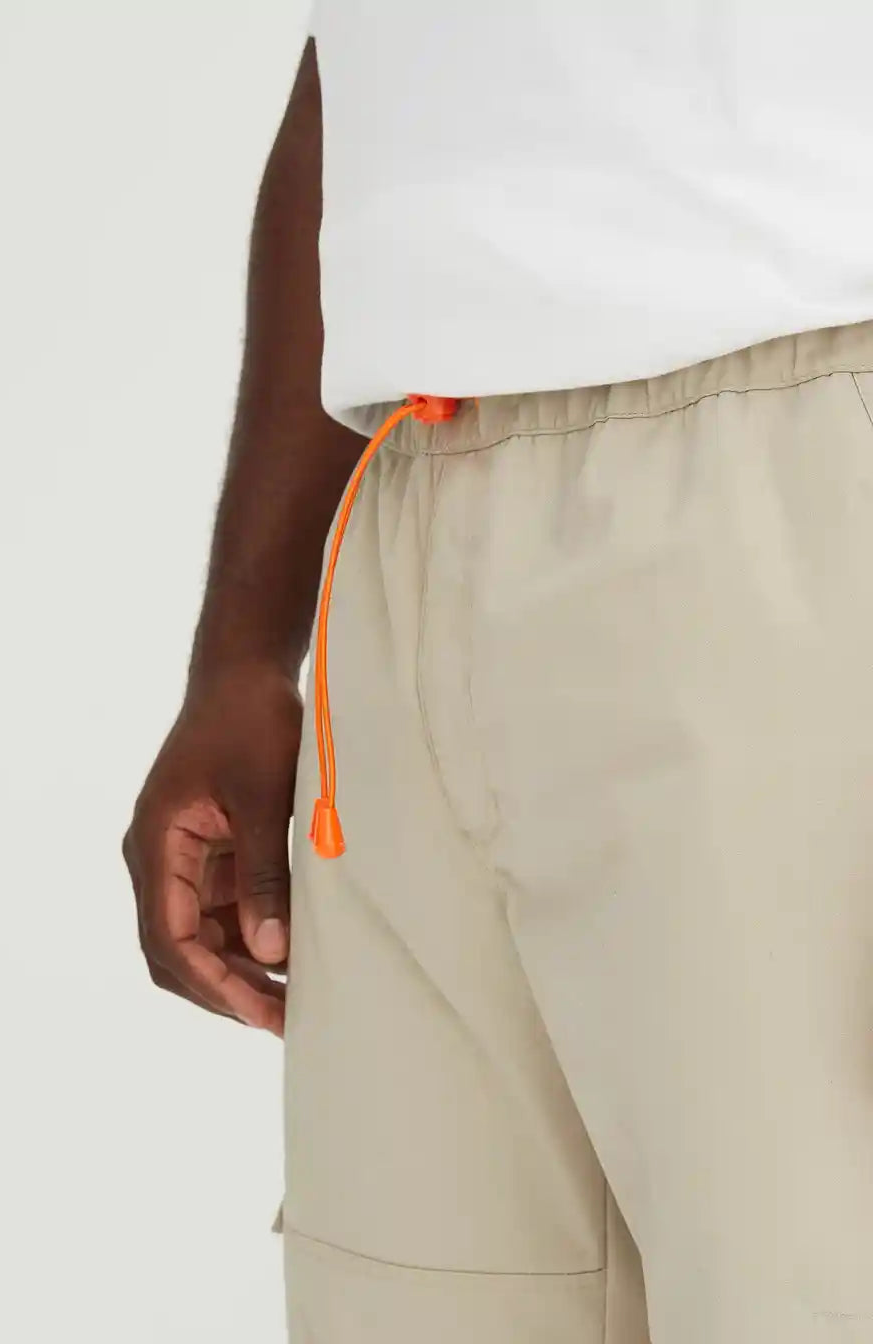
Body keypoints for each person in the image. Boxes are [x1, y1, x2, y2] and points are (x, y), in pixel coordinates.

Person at [122, 6, 873, 1341]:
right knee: (418, 1298)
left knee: (809, 1279)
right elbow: (363, 60)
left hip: (789, 471)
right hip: (412, 502)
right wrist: (241, 650)